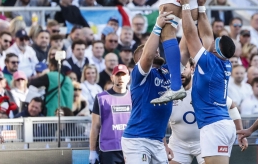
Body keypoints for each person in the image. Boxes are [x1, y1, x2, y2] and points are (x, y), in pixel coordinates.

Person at [178, 0, 244, 162]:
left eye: (213, 42)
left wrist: (185, 6)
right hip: (220, 123)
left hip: (214, 126)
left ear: (214, 49)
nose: (210, 40)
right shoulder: (222, 61)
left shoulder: (208, 62)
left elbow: (192, 34)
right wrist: (201, 8)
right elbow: (207, 34)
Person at [165, 57, 247, 164]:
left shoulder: (203, 87)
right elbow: (158, 120)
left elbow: (231, 105)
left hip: (204, 141)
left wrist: (240, 133)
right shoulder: (165, 90)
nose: (181, 72)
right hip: (178, 144)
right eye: (176, 69)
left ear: (192, 68)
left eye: (184, 68)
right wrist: (164, 144)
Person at [121, 11, 174, 162]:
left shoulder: (166, 72)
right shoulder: (139, 74)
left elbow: (182, 52)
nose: (156, 50)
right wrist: (157, 26)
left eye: (157, 49)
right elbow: (148, 56)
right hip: (137, 140)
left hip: (157, 140)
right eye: (152, 49)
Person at [89, 64, 131, 164]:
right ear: (112, 78)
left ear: (128, 78)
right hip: (108, 150)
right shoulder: (101, 98)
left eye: (123, 75)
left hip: (131, 148)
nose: (120, 78)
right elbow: (95, 126)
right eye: (117, 75)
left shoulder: (134, 97)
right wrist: (92, 151)